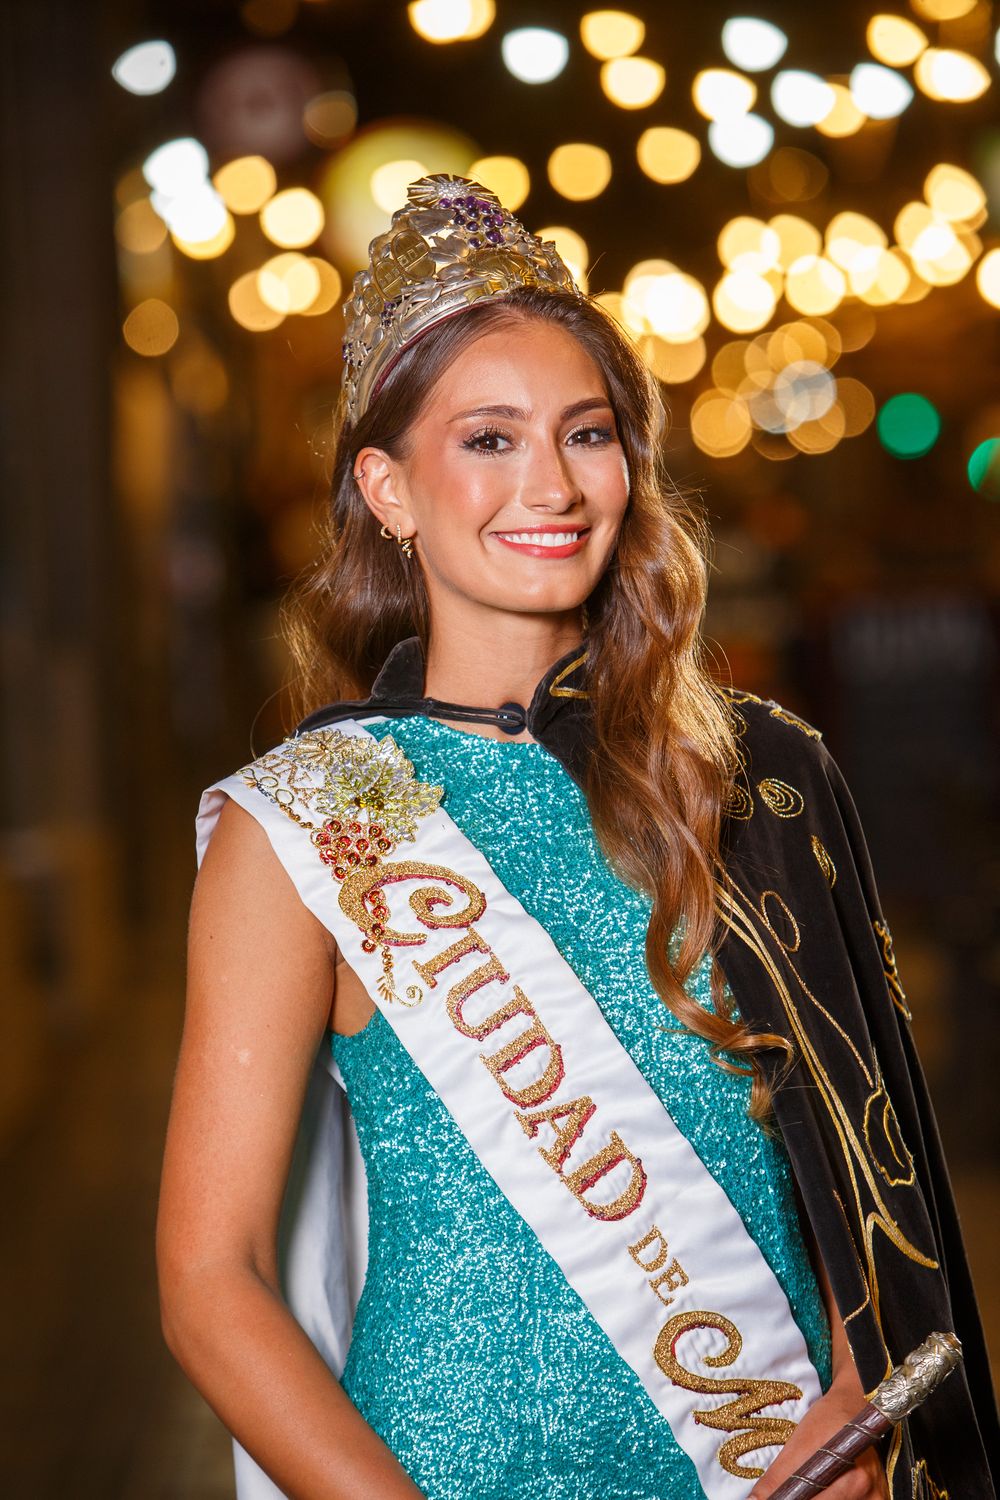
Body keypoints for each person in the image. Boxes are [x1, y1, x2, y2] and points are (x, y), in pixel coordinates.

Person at [156, 175, 997, 1500]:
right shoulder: (316, 817)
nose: (549, 483)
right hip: (439, 1473)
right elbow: (213, 1280)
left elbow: (860, 1161)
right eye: (487, 440)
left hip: (761, 1459)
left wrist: (852, 1401)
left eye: (587, 433)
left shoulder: (751, 773)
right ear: (388, 487)